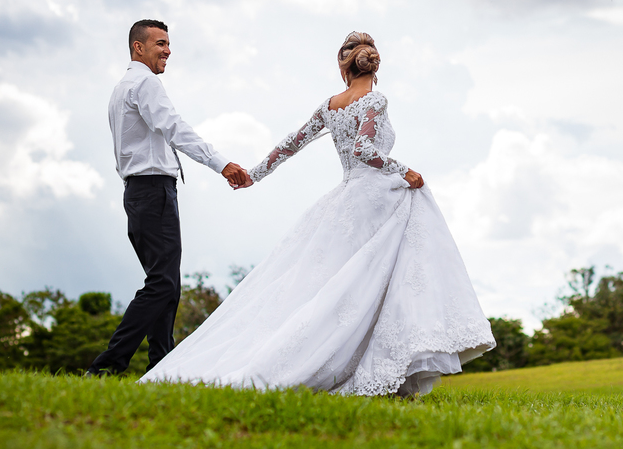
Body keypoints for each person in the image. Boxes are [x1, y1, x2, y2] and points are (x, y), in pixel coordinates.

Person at [140, 31, 494, 396]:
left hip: (349, 197)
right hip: (375, 195)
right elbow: (363, 148)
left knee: (348, 281)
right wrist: (405, 171)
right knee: (380, 277)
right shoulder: (376, 99)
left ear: (344, 67)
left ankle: (379, 371)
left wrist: (255, 175)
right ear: (374, 65)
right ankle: (375, 365)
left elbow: (292, 142)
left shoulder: (331, 105)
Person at [87, 19, 253, 377]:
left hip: (137, 194)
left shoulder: (121, 88)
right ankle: (107, 366)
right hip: (152, 191)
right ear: (138, 48)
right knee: (163, 284)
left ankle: (161, 367)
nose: (167, 50)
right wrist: (220, 163)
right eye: (160, 43)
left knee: (166, 284)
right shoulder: (146, 82)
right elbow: (174, 126)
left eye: (168, 44)